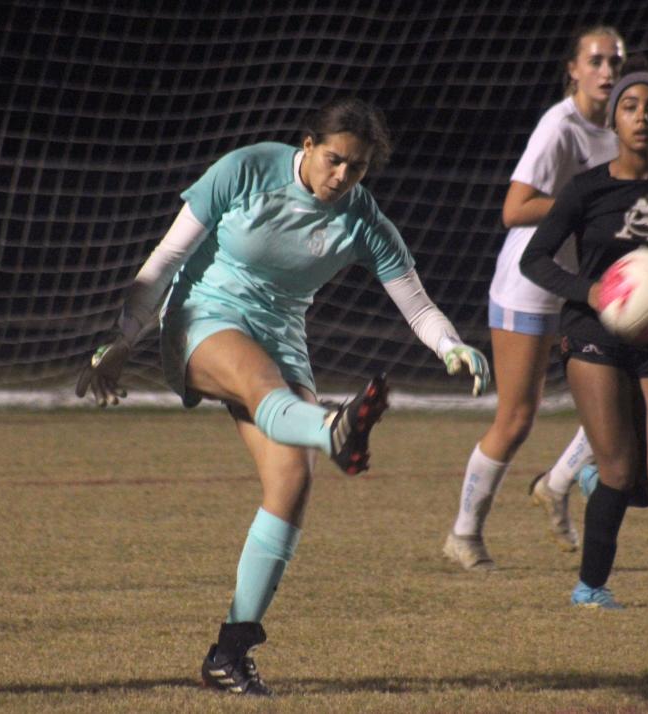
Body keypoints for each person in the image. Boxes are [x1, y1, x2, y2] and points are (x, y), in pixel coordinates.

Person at [75, 97, 490, 695]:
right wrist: (124, 337)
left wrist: (452, 347)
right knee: (260, 386)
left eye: (357, 168)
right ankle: (331, 429)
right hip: (203, 316)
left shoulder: (363, 219)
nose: (342, 176)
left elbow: (418, 304)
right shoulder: (247, 169)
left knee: (291, 482)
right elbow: (168, 256)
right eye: (334, 160)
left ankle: (230, 652)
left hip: (280, 338)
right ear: (307, 145)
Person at [520, 58, 648, 608]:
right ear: (614, 124)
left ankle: (594, 484)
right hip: (591, 335)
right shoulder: (586, 191)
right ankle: (589, 589)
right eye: (629, 106)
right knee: (622, 470)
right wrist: (591, 292)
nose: (642, 116)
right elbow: (535, 261)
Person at [443, 26, 627, 571]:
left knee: (622, 391)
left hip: (586, 284)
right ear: (573, 68)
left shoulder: (620, 129)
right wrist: (581, 203)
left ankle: (559, 481)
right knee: (517, 418)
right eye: (595, 60)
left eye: (615, 61)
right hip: (531, 283)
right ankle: (464, 534)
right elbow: (514, 209)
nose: (607, 71)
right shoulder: (559, 126)